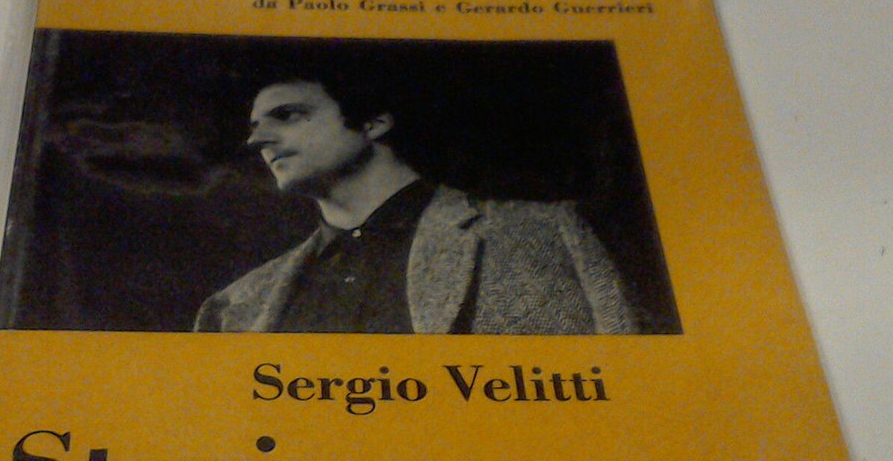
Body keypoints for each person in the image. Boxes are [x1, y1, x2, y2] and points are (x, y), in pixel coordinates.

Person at [194, 74, 645, 334]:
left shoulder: (541, 232)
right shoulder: (235, 305)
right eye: (254, 126)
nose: (256, 141)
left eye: (287, 115)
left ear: (374, 122)